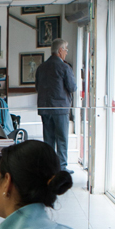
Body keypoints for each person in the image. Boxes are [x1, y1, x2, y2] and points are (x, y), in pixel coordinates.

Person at [35, 38, 76, 172]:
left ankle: (49, 167)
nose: (66, 53)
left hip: (45, 108)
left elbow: (37, 87)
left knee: (48, 139)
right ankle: (62, 166)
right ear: (60, 51)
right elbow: (72, 87)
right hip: (60, 108)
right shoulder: (64, 67)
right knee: (62, 138)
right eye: (65, 50)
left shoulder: (41, 67)